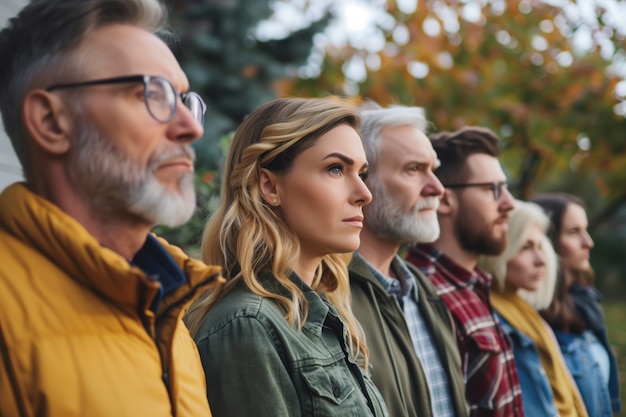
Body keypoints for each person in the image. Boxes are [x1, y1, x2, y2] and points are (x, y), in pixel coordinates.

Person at [0, 0, 225, 416]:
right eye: (151, 93)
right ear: (51, 122)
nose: (191, 128)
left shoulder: (169, 309)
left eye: (183, 99)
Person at [184, 97, 389, 417]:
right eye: (336, 169)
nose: (365, 193)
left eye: (361, 172)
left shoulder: (326, 315)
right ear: (269, 185)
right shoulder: (248, 326)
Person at [348, 103, 468, 417]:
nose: (437, 188)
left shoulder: (423, 290)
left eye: (434, 168)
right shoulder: (325, 298)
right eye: (413, 169)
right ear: (362, 180)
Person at [405, 126, 524, 417]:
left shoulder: (473, 283)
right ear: (444, 199)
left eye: (505, 188)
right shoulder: (420, 293)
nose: (509, 204)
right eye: (491, 189)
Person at [479, 200, 588, 417]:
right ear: (500, 250)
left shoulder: (523, 311)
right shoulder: (495, 318)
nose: (541, 260)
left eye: (540, 247)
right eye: (525, 247)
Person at [532, 193, 621, 417]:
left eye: (585, 229)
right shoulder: (537, 318)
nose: (588, 242)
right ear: (548, 242)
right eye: (574, 232)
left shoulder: (586, 303)